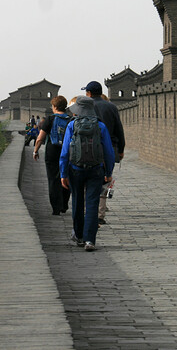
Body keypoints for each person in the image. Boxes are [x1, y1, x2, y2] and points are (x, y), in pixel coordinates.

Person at [60, 96, 115, 252]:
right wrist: (108, 172)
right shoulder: (101, 127)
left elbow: (65, 152)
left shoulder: (72, 125)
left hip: (75, 169)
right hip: (96, 169)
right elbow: (109, 152)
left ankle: (79, 236)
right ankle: (90, 240)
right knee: (92, 204)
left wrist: (63, 173)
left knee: (77, 202)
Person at [82, 81, 126, 225]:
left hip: (88, 148)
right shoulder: (111, 107)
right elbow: (119, 129)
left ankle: (87, 211)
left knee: (87, 180)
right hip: (110, 147)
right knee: (105, 180)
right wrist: (121, 149)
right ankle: (100, 214)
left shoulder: (86, 106)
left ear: (88, 93)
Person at [34, 95, 72, 215]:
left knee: (53, 180)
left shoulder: (50, 119)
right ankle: (64, 204)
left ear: (55, 107)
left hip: (52, 152)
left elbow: (40, 138)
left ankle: (56, 207)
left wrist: (35, 151)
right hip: (67, 152)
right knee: (65, 176)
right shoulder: (70, 120)